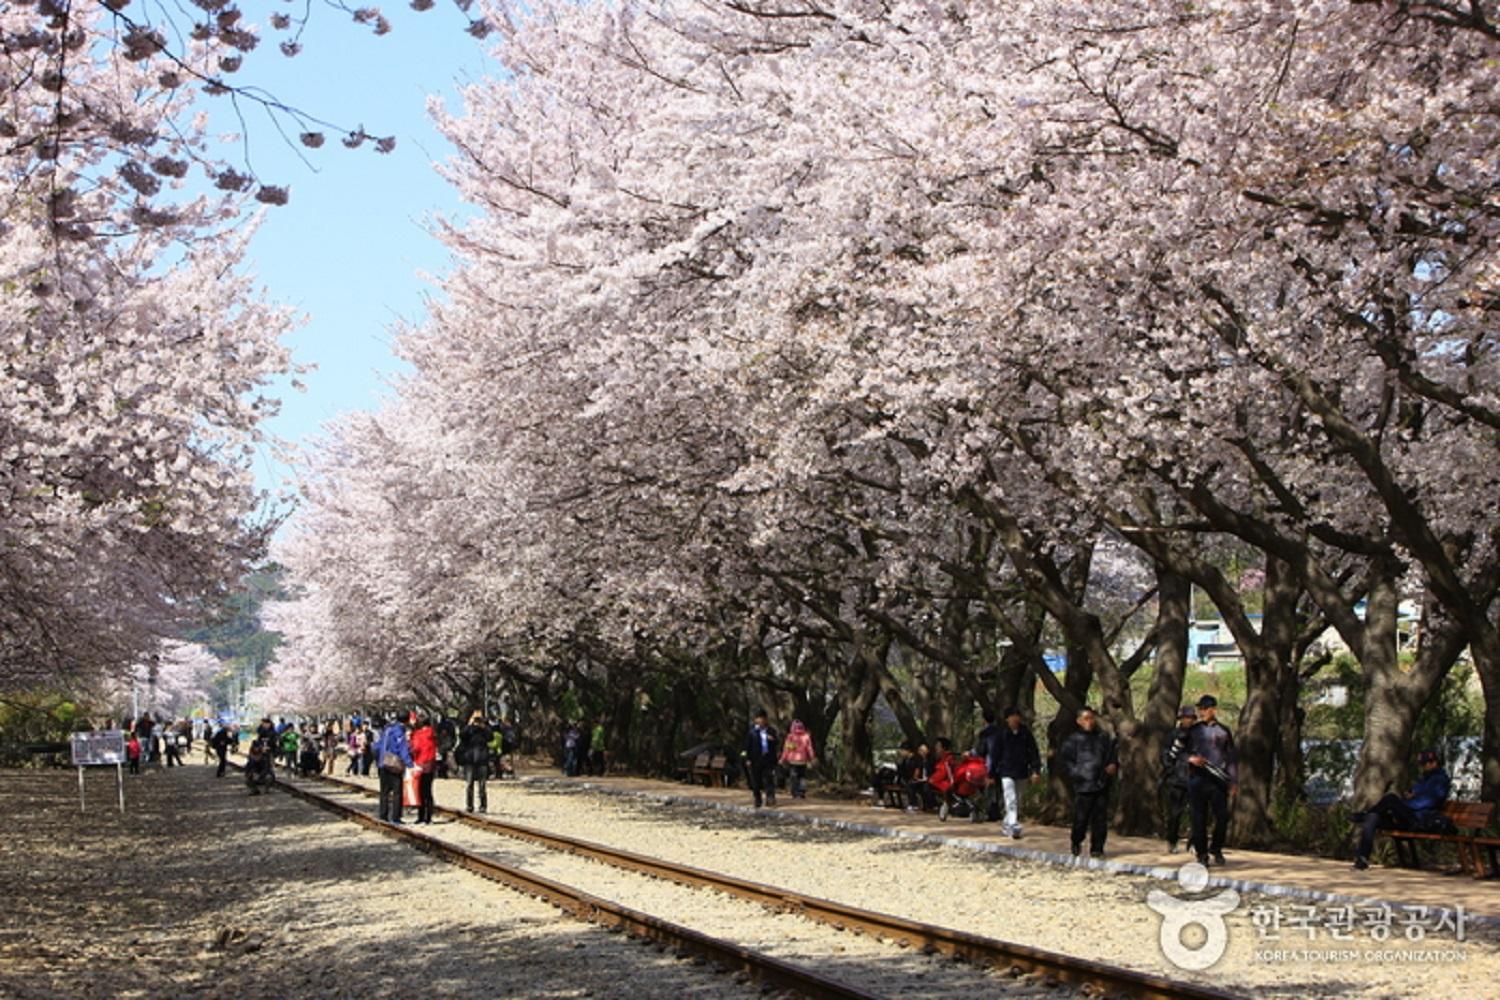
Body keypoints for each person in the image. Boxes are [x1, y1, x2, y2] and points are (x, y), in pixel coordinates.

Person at [1353, 749, 1451, 870]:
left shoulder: (1441, 780)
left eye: (1426, 764)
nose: (1423, 767)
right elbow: (1412, 793)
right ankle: (1362, 858)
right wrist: (1408, 798)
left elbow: (1430, 801)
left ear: (1434, 763)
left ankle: (1364, 814)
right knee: (1373, 817)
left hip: (1418, 820)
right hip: (1406, 818)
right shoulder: (1424, 780)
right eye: (1422, 764)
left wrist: (1406, 805)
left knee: (1390, 798)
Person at [1171, 694, 1237, 867]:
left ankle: (1216, 848)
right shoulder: (1192, 731)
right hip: (1198, 778)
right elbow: (1178, 752)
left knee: (1222, 817)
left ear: (1213, 710)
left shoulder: (1224, 731)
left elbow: (1231, 758)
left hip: (1218, 780)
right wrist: (1190, 759)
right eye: (1199, 709)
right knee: (1198, 818)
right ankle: (1202, 853)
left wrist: (1234, 781)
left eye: (1204, 709)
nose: (1201, 712)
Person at [1058, 706, 1118, 859]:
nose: (1089, 722)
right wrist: (1078, 774)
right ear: (1079, 721)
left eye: (1091, 718)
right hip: (1083, 785)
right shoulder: (1072, 741)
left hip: (1101, 783)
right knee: (1081, 818)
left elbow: (1112, 755)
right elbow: (1066, 763)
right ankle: (1076, 841)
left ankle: (1097, 848)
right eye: (1086, 719)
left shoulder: (1103, 737)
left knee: (1100, 818)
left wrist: (1112, 765)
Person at [989, 707, 1043, 839]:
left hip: (1022, 770)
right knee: (1010, 798)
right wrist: (991, 774)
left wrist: (1036, 770)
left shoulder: (1025, 733)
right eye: (1011, 716)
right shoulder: (1002, 734)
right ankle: (1013, 825)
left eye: (1016, 716)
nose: (1014, 719)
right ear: (1007, 719)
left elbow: (1033, 752)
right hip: (1006, 770)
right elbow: (995, 755)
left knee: (1018, 799)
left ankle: (1007, 823)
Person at [1159, 706, 1197, 853]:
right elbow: (1166, 759)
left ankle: (1194, 842)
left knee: (1196, 813)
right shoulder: (1173, 735)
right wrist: (1176, 749)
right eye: (1185, 718)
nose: (1188, 721)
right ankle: (1172, 839)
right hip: (1176, 780)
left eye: (1191, 718)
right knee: (1175, 813)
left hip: (1194, 778)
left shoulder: (1198, 736)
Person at [374, 716, 413, 824]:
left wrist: (379, 760)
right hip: (394, 765)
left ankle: (383, 815)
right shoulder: (399, 732)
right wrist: (409, 764)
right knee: (397, 792)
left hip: (383, 763)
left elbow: (376, 747)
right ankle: (396, 817)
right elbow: (402, 749)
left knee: (384, 792)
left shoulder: (386, 730)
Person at [744, 708, 780, 808]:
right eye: (758, 719)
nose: (760, 721)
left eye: (762, 719)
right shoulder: (752, 732)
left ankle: (770, 798)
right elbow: (747, 746)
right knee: (756, 780)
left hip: (768, 758)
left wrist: (772, 739)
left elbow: (777, 742)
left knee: (769, 779)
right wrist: (748, 758)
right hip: (755, 759)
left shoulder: (771, 730)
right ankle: (757, 798)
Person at [459, 710, 494, 813]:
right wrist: (470, 724)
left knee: (482, 786)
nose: (477, 721)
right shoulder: (469, 730)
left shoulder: (484, 730)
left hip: (482, 760)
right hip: (470, 760)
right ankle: (469, 805)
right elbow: (462, 736)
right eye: (476, 718)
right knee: (469, 784)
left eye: (479, 718)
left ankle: (483, 806)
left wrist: (484, 726)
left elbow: (491, 737)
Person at [410, 715, 439, 824]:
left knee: (419, 791)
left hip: (420, 764)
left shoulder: (418, 734)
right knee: (428, 791)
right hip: (430, 764)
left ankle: (421, 816)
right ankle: (429, 817)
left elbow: (415, 748)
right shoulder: (432, 734)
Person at [778, 719, 817, 799]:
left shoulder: (790, 737)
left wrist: (782, 759)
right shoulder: (806, 736)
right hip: (803, 761)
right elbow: (809, 748)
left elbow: (786, 749)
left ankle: (795, 792)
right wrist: (812, 757)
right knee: (802, 777)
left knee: (794, 777)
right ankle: (802, 791)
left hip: (793, 761)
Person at [897, 741, 933, 812]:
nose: (901, 752)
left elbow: (918, 770)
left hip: (920, 780)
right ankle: (913, 804)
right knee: (908, 784)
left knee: (911, 784)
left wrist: (916, 778)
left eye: (902, 750)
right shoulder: (904, 760)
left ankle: (914, 804)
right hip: (913, 780)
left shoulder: (917, 759)